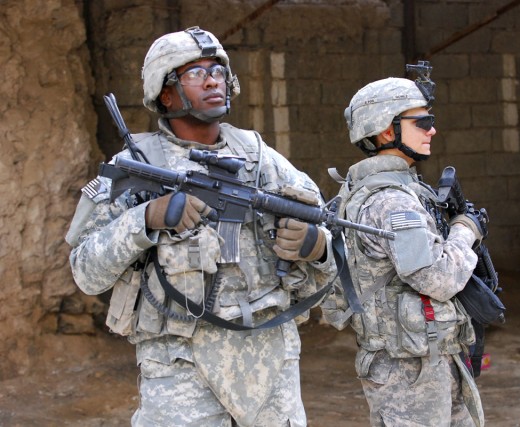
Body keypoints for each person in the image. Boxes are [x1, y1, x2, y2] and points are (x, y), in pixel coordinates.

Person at [65, 26, 336, 427]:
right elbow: (86, 271)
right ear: (165, 91)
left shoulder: (259, 157)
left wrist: (317, 245)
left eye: (218, 71)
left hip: (269, 359)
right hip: (179, 366)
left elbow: (330, 231)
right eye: (194, 73)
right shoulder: (136, 166)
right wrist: (145, 219)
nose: (212, 80)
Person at [321, 66, 487, 426]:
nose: (433, 129)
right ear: (385, 128)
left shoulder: (401, 188)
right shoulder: (390, 201)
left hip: (426, 358)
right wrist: (465, 230)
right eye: (422, 121)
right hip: (408, 372)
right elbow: (439, 278)